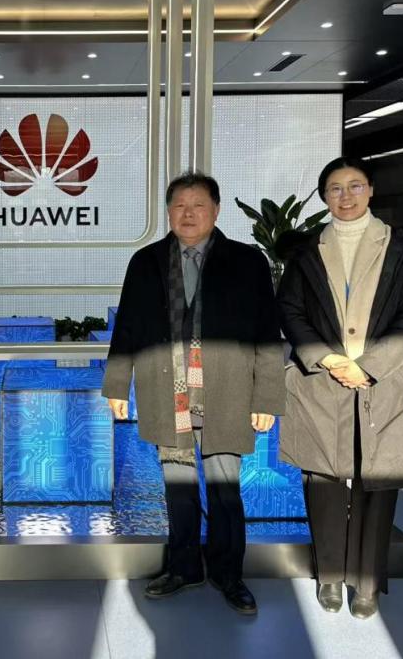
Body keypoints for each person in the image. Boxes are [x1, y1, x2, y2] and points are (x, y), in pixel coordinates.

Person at [103, 172, 284, 614]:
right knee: (178, 488)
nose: (188, 213)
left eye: (198, 205)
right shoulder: (145, 262)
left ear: (216, 211)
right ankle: (184, 568)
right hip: (168, 392)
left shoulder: (248, 262)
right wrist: (117, 384)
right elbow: (127, 325)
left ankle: (229, 573)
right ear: (168, 212)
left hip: (227, 392)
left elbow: (267, 332)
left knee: (225, 491)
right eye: (179, 205)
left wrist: (266, 397)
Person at [276, 156, 403, 619]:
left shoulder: (401, 249)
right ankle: (329, 574)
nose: (345, 196)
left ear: (371, 190)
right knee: (323, 478)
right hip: (321, 378)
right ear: (325, 196)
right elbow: (290, 310)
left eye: (355, 186)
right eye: (335, 188)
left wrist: (369, 367)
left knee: (378, 479)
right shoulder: (306, 251)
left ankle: (366, 583)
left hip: (386, 379)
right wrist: (327, 358)